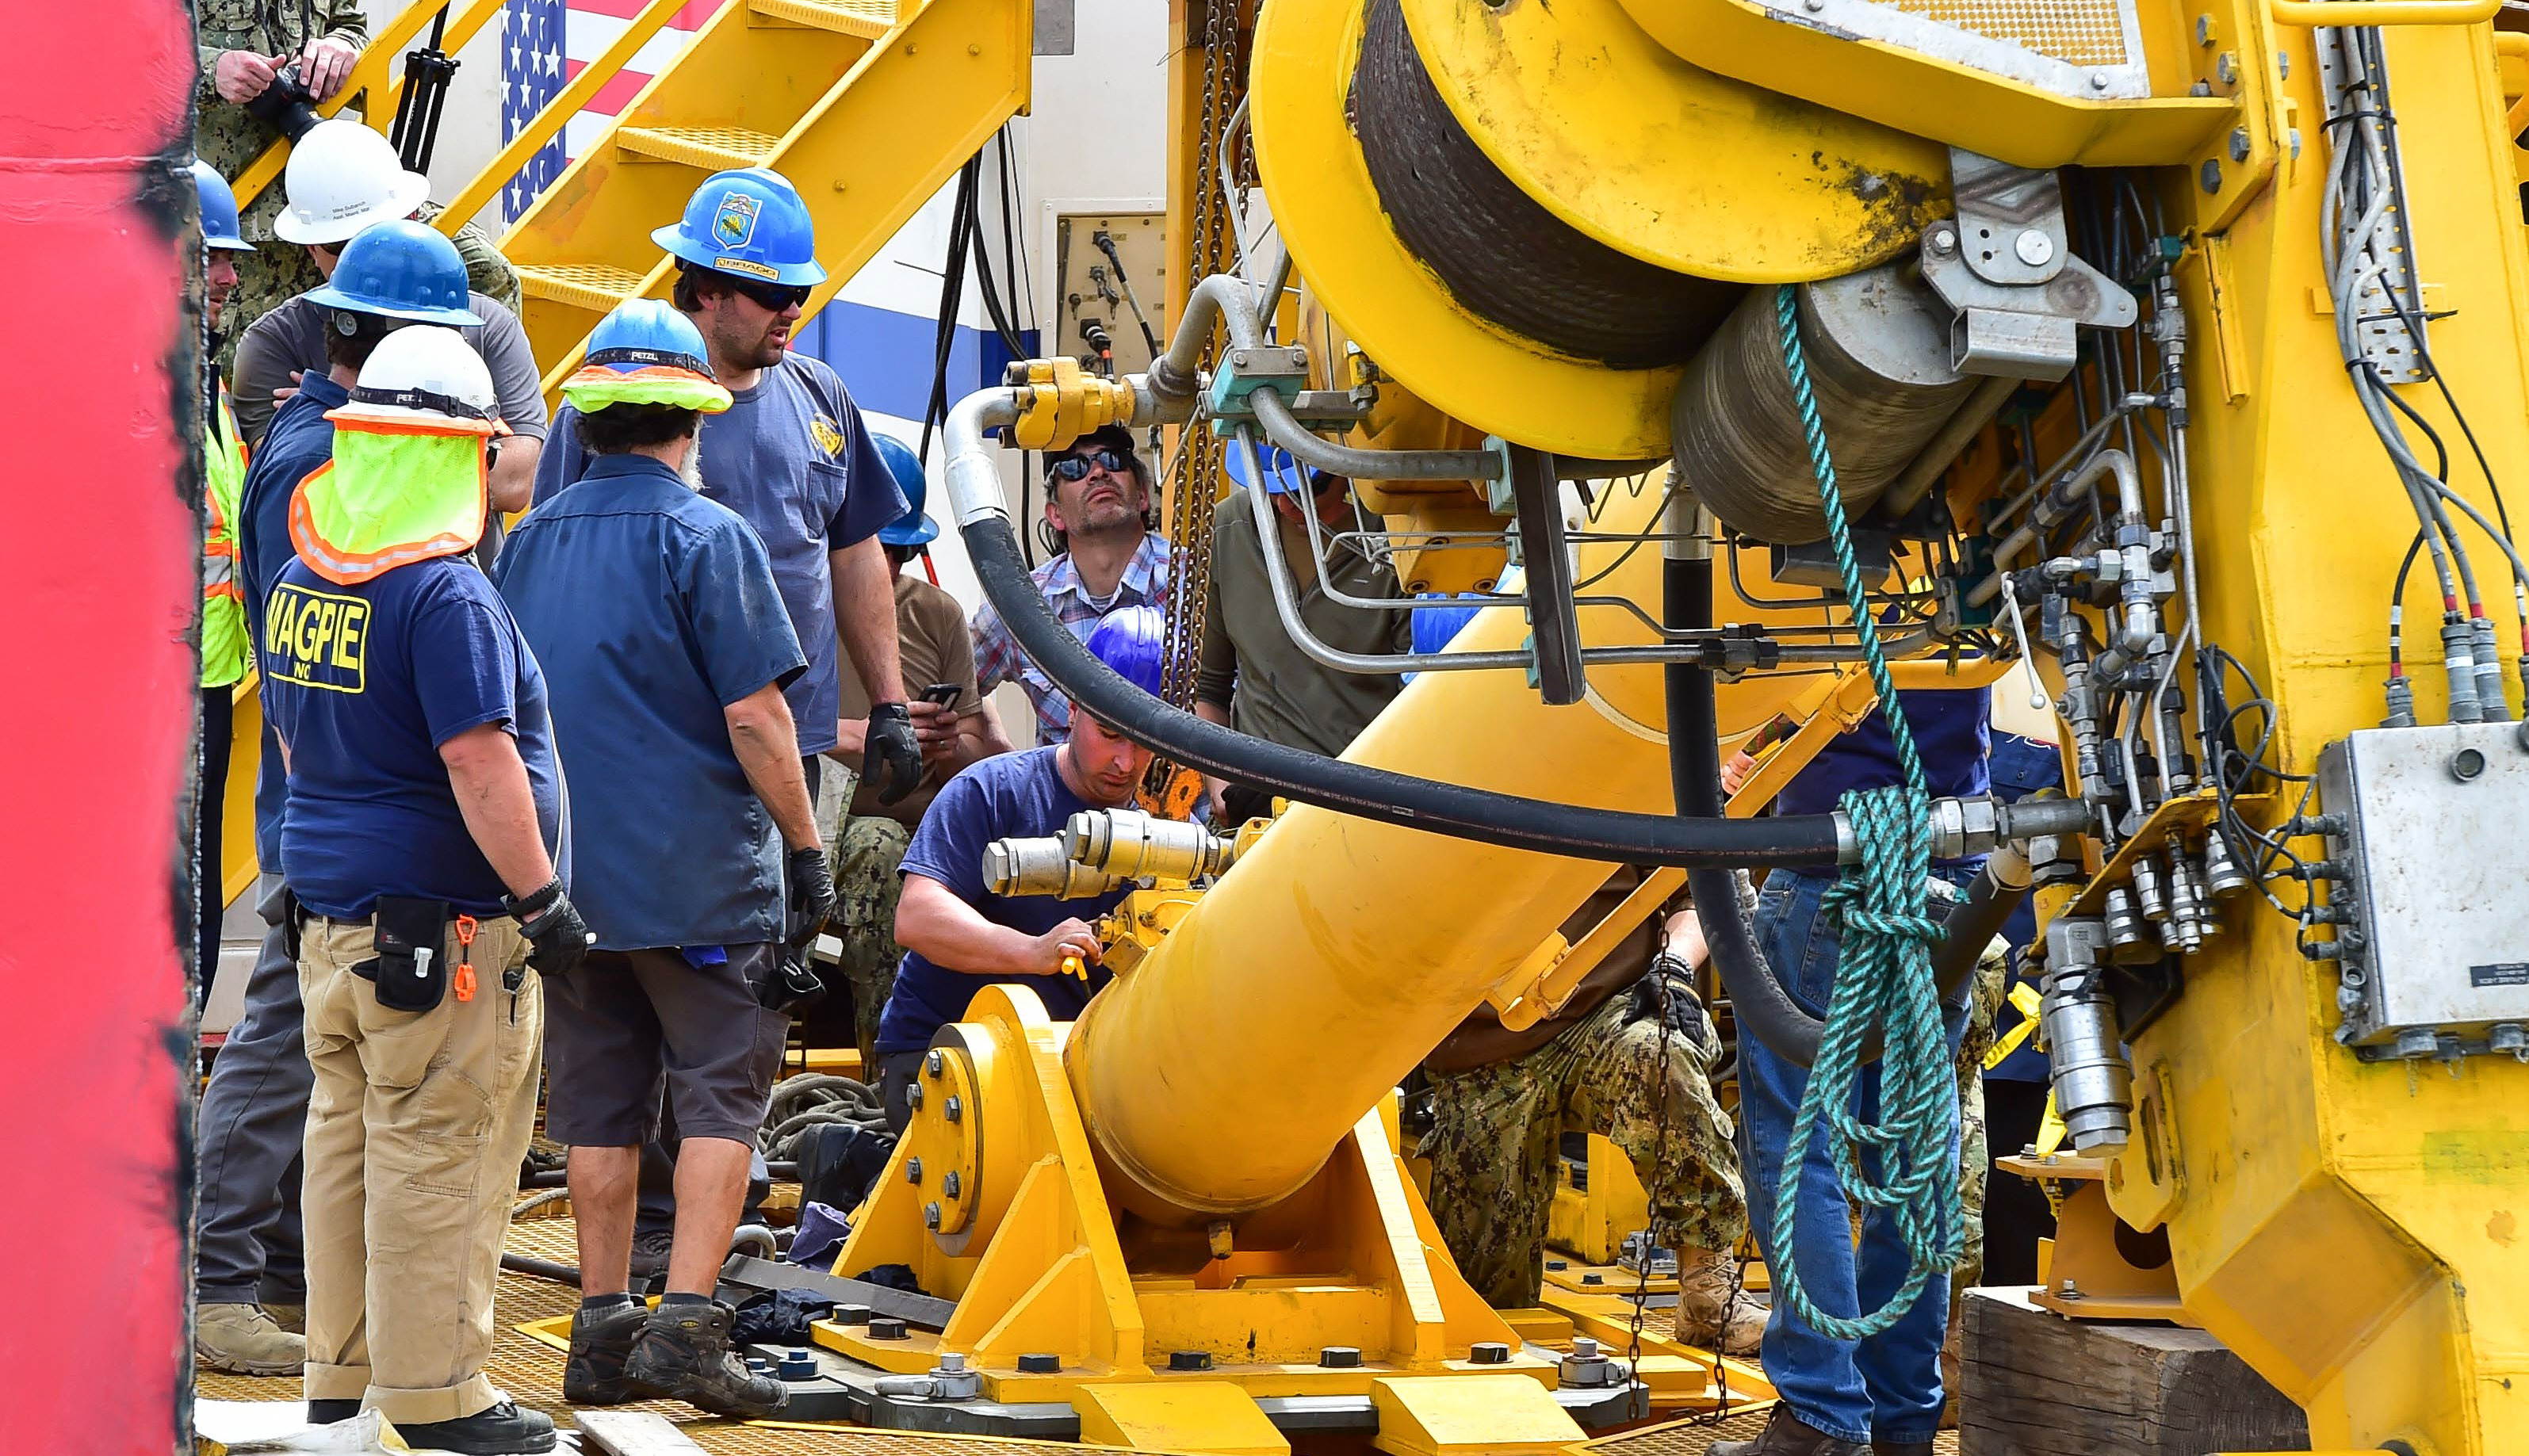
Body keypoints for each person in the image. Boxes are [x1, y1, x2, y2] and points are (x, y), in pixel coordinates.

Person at [492, 300, 830, 1420]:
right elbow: (757, 717)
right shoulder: (709, 537)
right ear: (692, 420)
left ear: (588, 418)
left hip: (573, 887)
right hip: (702, 889)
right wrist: (808, 851)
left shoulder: (528, 542)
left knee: (597, 1110)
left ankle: (600, 1331)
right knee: (721, 1102)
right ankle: (685, 1327)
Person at [261, 324, 581, 1455]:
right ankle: (437, 1398)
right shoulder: (445, 594)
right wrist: (542, 902)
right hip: (440, 937)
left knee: (347, 1154)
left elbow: (299, 743)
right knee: (438, 1156)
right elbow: (479, 761)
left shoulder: (305, 577)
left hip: (332, 924)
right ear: (464, 453)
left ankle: (343, 1381)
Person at [194, 217, 491, 1379]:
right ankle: (216, 1278)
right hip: (329, 794)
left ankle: (278, 1266)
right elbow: (308, 638)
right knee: (283, 1032)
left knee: (319, 1049)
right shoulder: (322, 453)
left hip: (331, 788)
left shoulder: (319, 439)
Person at [533, 166, 919, 810]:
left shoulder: (821, 395)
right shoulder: (607, 406)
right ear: (708, 289)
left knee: (795, 879)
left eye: (801, 290)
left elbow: (854, 554)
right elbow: (550, 565)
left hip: (789, 749)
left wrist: (890, 704)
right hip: (645, 753)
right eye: (775, 292)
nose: (794, 309)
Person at [1712, 682, 1992, 1456]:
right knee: (1914, 1150)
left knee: (1798, 1144)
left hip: (1830, 877)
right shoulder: (1970, 610)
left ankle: (1821, 1412)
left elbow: (1752, 686)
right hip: (1949, 887)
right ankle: (1902, 1417)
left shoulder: (1835, 608)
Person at [1419, 876, 1760, 1355]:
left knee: (1663, 1061)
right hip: (1478, 1047)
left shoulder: (1631, 817)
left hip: (1607, 1010)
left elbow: (1707, 881)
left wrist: (1674, 965)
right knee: (1485, 1297)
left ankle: (1709, 1294)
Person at [877, 606, 1169, 1130]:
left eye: (1144, 741)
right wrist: (1034, 951)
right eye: (1110, 734)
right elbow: (917, 917)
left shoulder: (1165, 839)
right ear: (1073, 707)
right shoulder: (989, 791)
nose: (1126, 762)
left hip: (1071, 1069)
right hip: (943, 1058)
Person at [231, 120, 539, 523]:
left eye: (376, 235)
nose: (365, 258)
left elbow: (516, 483)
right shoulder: (272, 344)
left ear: (413, 217)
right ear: (310, 249)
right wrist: (458, 437)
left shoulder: (488, 325)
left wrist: (337, 415)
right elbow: (299, 483)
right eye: (342, 245)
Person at [827, 434, 1016, 1070]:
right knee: (880, 851)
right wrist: (859, 733)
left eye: (899, 553)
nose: (885, 568)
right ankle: (891, 1066)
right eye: (874, 549)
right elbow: (761, 726)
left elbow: (975, 752)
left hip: (927, 828)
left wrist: (944, 741)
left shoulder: (937, 615)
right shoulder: (795, 609)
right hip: (832, 829)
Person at [1196, 442, 1410, 822]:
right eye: (1269, 488)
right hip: (1257, 811)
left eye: (1306, 489)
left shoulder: (1402, 541)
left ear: (1347, 462)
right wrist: (1221, 787)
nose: (1284, 505)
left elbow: (1419, 702)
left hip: (1369, 806)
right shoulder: (1229, 530)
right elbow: (1207, 689)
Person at [970, 424, 1173, 744]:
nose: (1098, 473)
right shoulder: (1023, 603)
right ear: (1055, 515)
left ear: (1144, 495)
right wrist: (1002, 755)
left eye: (1114, 459)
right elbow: (953, 690)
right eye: (1075, 468)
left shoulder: (1195, 582)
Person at [194, 0, 368, 366]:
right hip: (232, 227)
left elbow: (351, 26)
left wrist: (342, 46)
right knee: (247, 381)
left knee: (484, 271)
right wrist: (210, 68)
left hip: (333, 207)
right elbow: (116, 51)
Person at [196, 161, 260, 1011]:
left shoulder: (202, 382)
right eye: (211, 256)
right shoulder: (131, 386)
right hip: (151, 700)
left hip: (208, 678)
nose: (230, 277)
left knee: (197, 893)